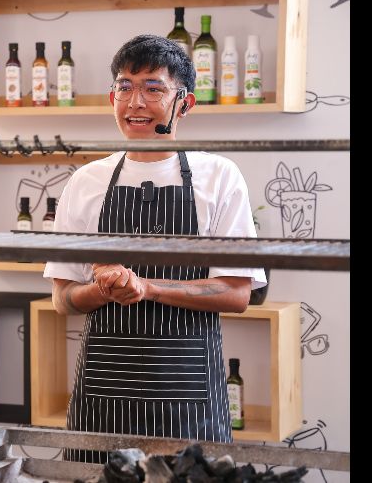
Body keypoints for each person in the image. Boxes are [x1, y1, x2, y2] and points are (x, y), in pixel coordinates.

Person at [43, 35, 267, 462]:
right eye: (125, 87)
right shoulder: (86, 182)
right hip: (103, 397)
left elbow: (237, 294)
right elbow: (63, 300)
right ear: (112, 97)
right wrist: (105, 288)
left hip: (188, 400)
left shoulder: (218, 176)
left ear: (185, 102)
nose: (136, 102)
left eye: (153, 88)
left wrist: (146, 287)